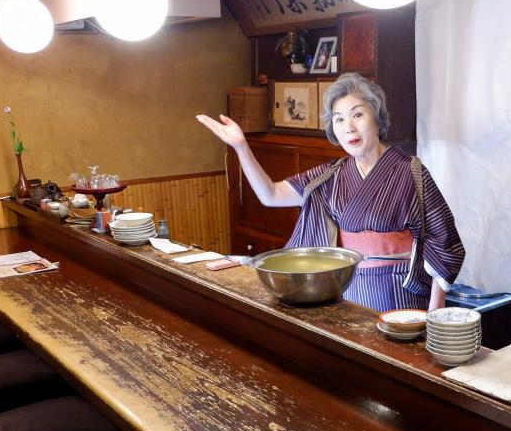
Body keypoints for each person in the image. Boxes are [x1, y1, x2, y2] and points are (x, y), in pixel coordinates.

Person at [196, 73, 464, 311]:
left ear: (378, 118)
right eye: (339, 119)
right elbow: (271, 195)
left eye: (358, 114)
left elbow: (443, 242)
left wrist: (435, 313)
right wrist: (242, 147)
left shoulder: (411, 172)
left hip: (401, 292)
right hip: (348, 288)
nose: (349, 127)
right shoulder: (331, 175)